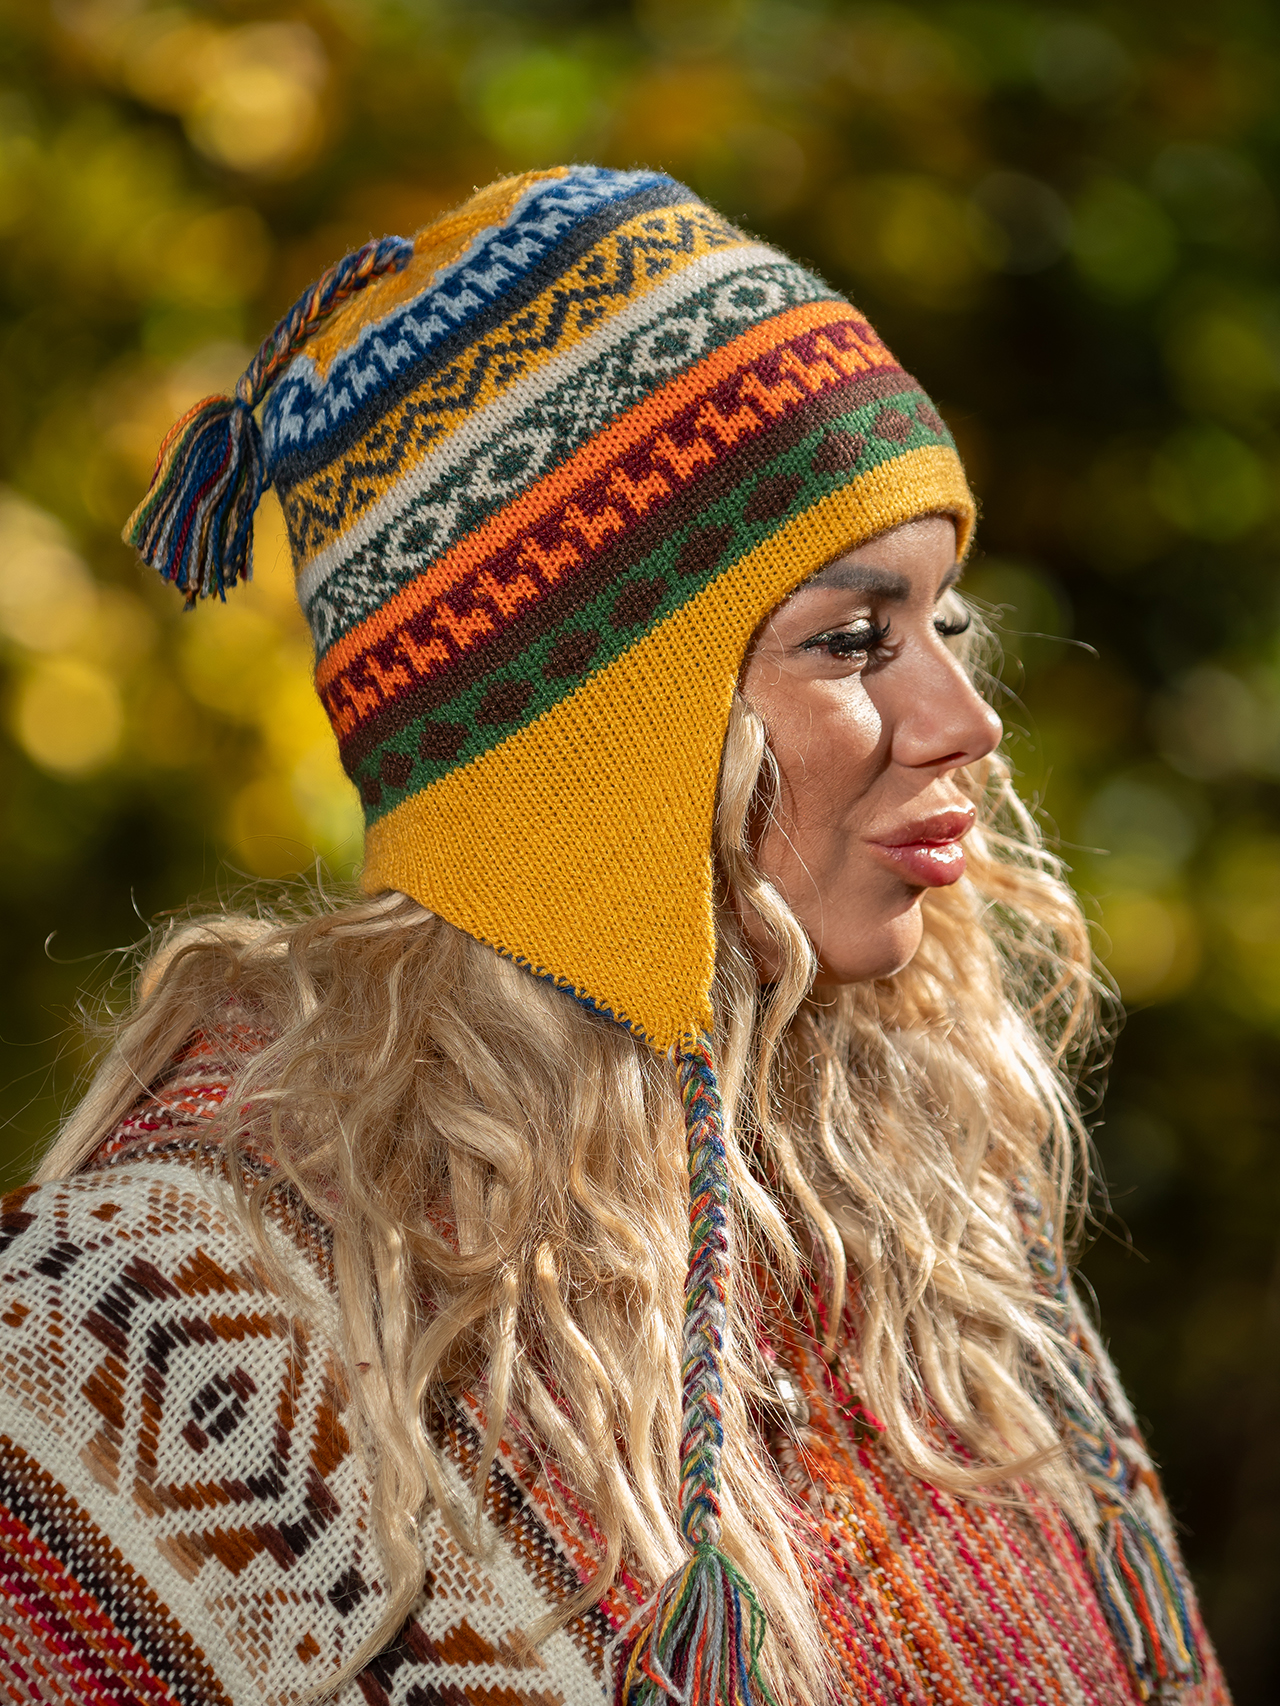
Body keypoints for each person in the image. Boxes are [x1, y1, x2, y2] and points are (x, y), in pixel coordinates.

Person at [0, 166, 1229, 1706]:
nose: (964, 717)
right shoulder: (173, 1316)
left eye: (946, 622)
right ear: (589, 738)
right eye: (854, 639)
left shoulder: (915, 1234)